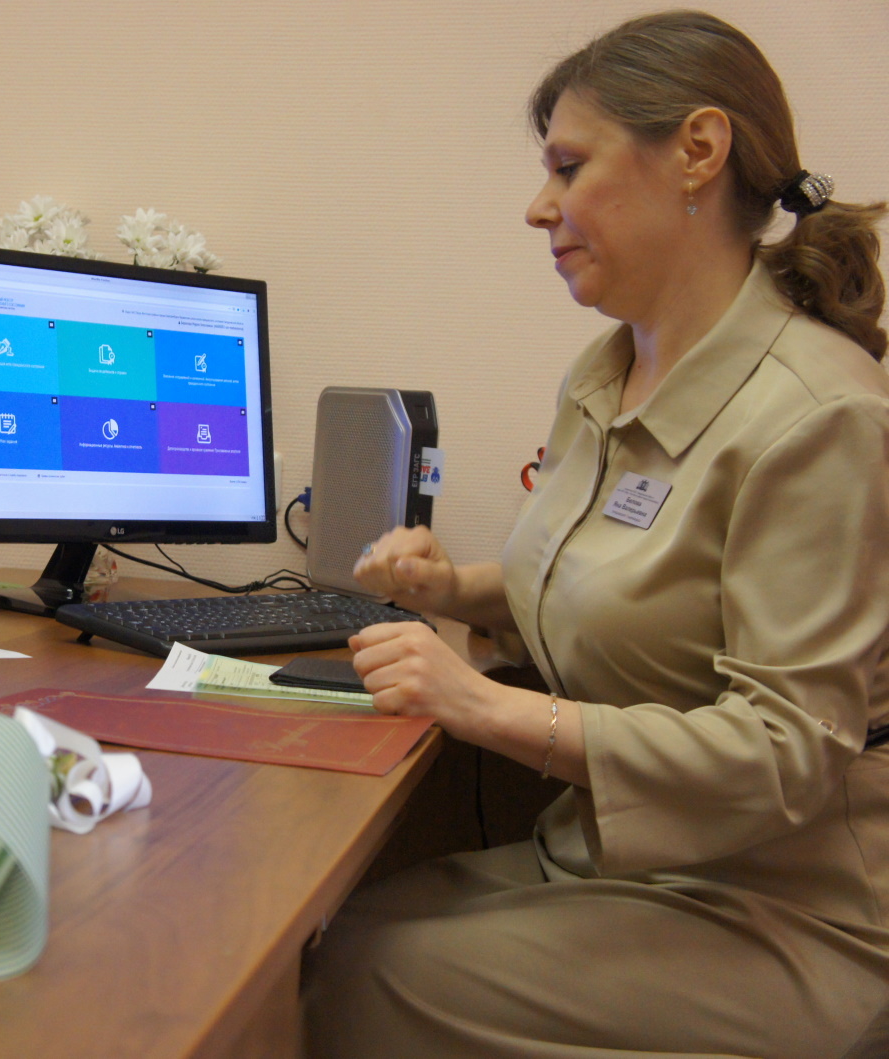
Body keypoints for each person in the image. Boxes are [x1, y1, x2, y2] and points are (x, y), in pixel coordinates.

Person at [303, 12, 889, 1058]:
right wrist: (453, 589)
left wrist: (483, 705)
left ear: (698, 151)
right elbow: (615, 576)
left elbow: (786, 749)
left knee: (358, 980)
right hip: (615, 854)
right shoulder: (609, 370)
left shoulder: (819, 416)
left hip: (782, 901)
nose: (539, 207)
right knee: (322, 936)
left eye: (568, 168)